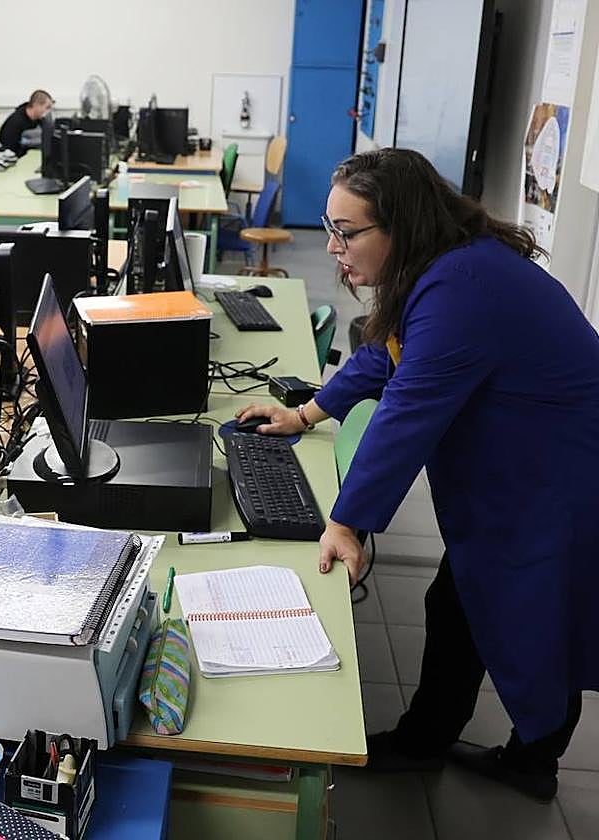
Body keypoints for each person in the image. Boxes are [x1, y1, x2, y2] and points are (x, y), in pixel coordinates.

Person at [235, 147, 599, 802]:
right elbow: (387, 355)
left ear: (401, 225)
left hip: (565, 477)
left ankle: (526, 759)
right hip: (531, 471)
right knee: (459, 600)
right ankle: (437, 742)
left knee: (546, 614)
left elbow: (405, 413)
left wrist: (347, 522)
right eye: (330, 227)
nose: (334, 248)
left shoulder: (463, 288)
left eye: (347, 233)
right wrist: (306, 414)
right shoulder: (443, 270)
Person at [0, 89, 53, 157]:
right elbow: (9, 149)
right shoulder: (15, 123)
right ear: (36, 105)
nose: (48, 111)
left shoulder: (38, 118)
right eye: (47, 107)